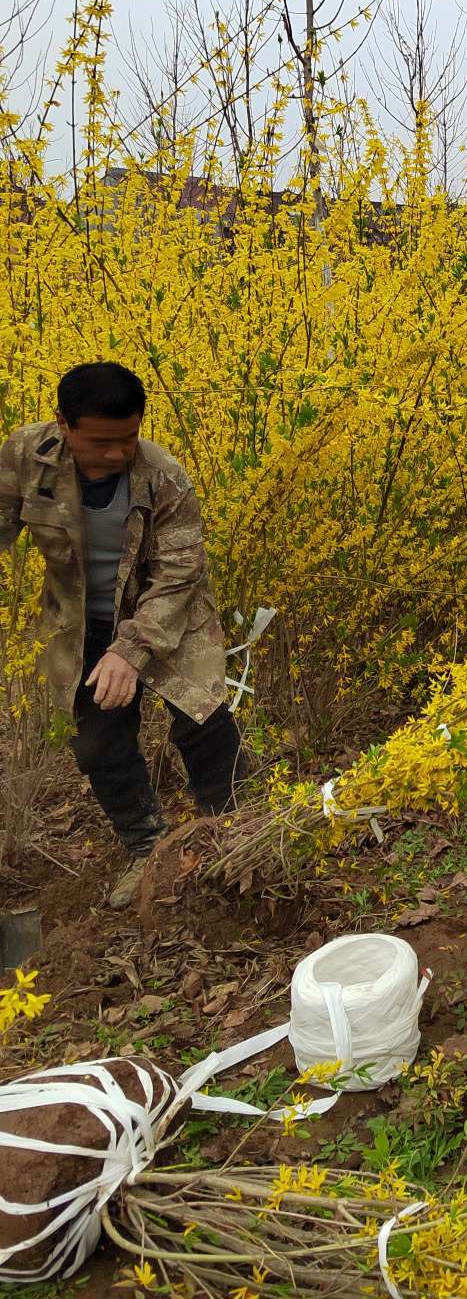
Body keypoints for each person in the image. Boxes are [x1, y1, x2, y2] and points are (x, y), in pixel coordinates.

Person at [0, 362, 243, 909]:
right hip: (80, 619)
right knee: (98, 744)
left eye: (129, 437)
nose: (117, 453)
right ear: (63, 424)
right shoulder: (24, 456)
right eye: (102, 442)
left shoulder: (164, 475)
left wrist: (130, 651)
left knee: (202, 718)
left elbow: (181, 573)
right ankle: (147, 846)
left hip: (168, 614)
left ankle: (228, 829)